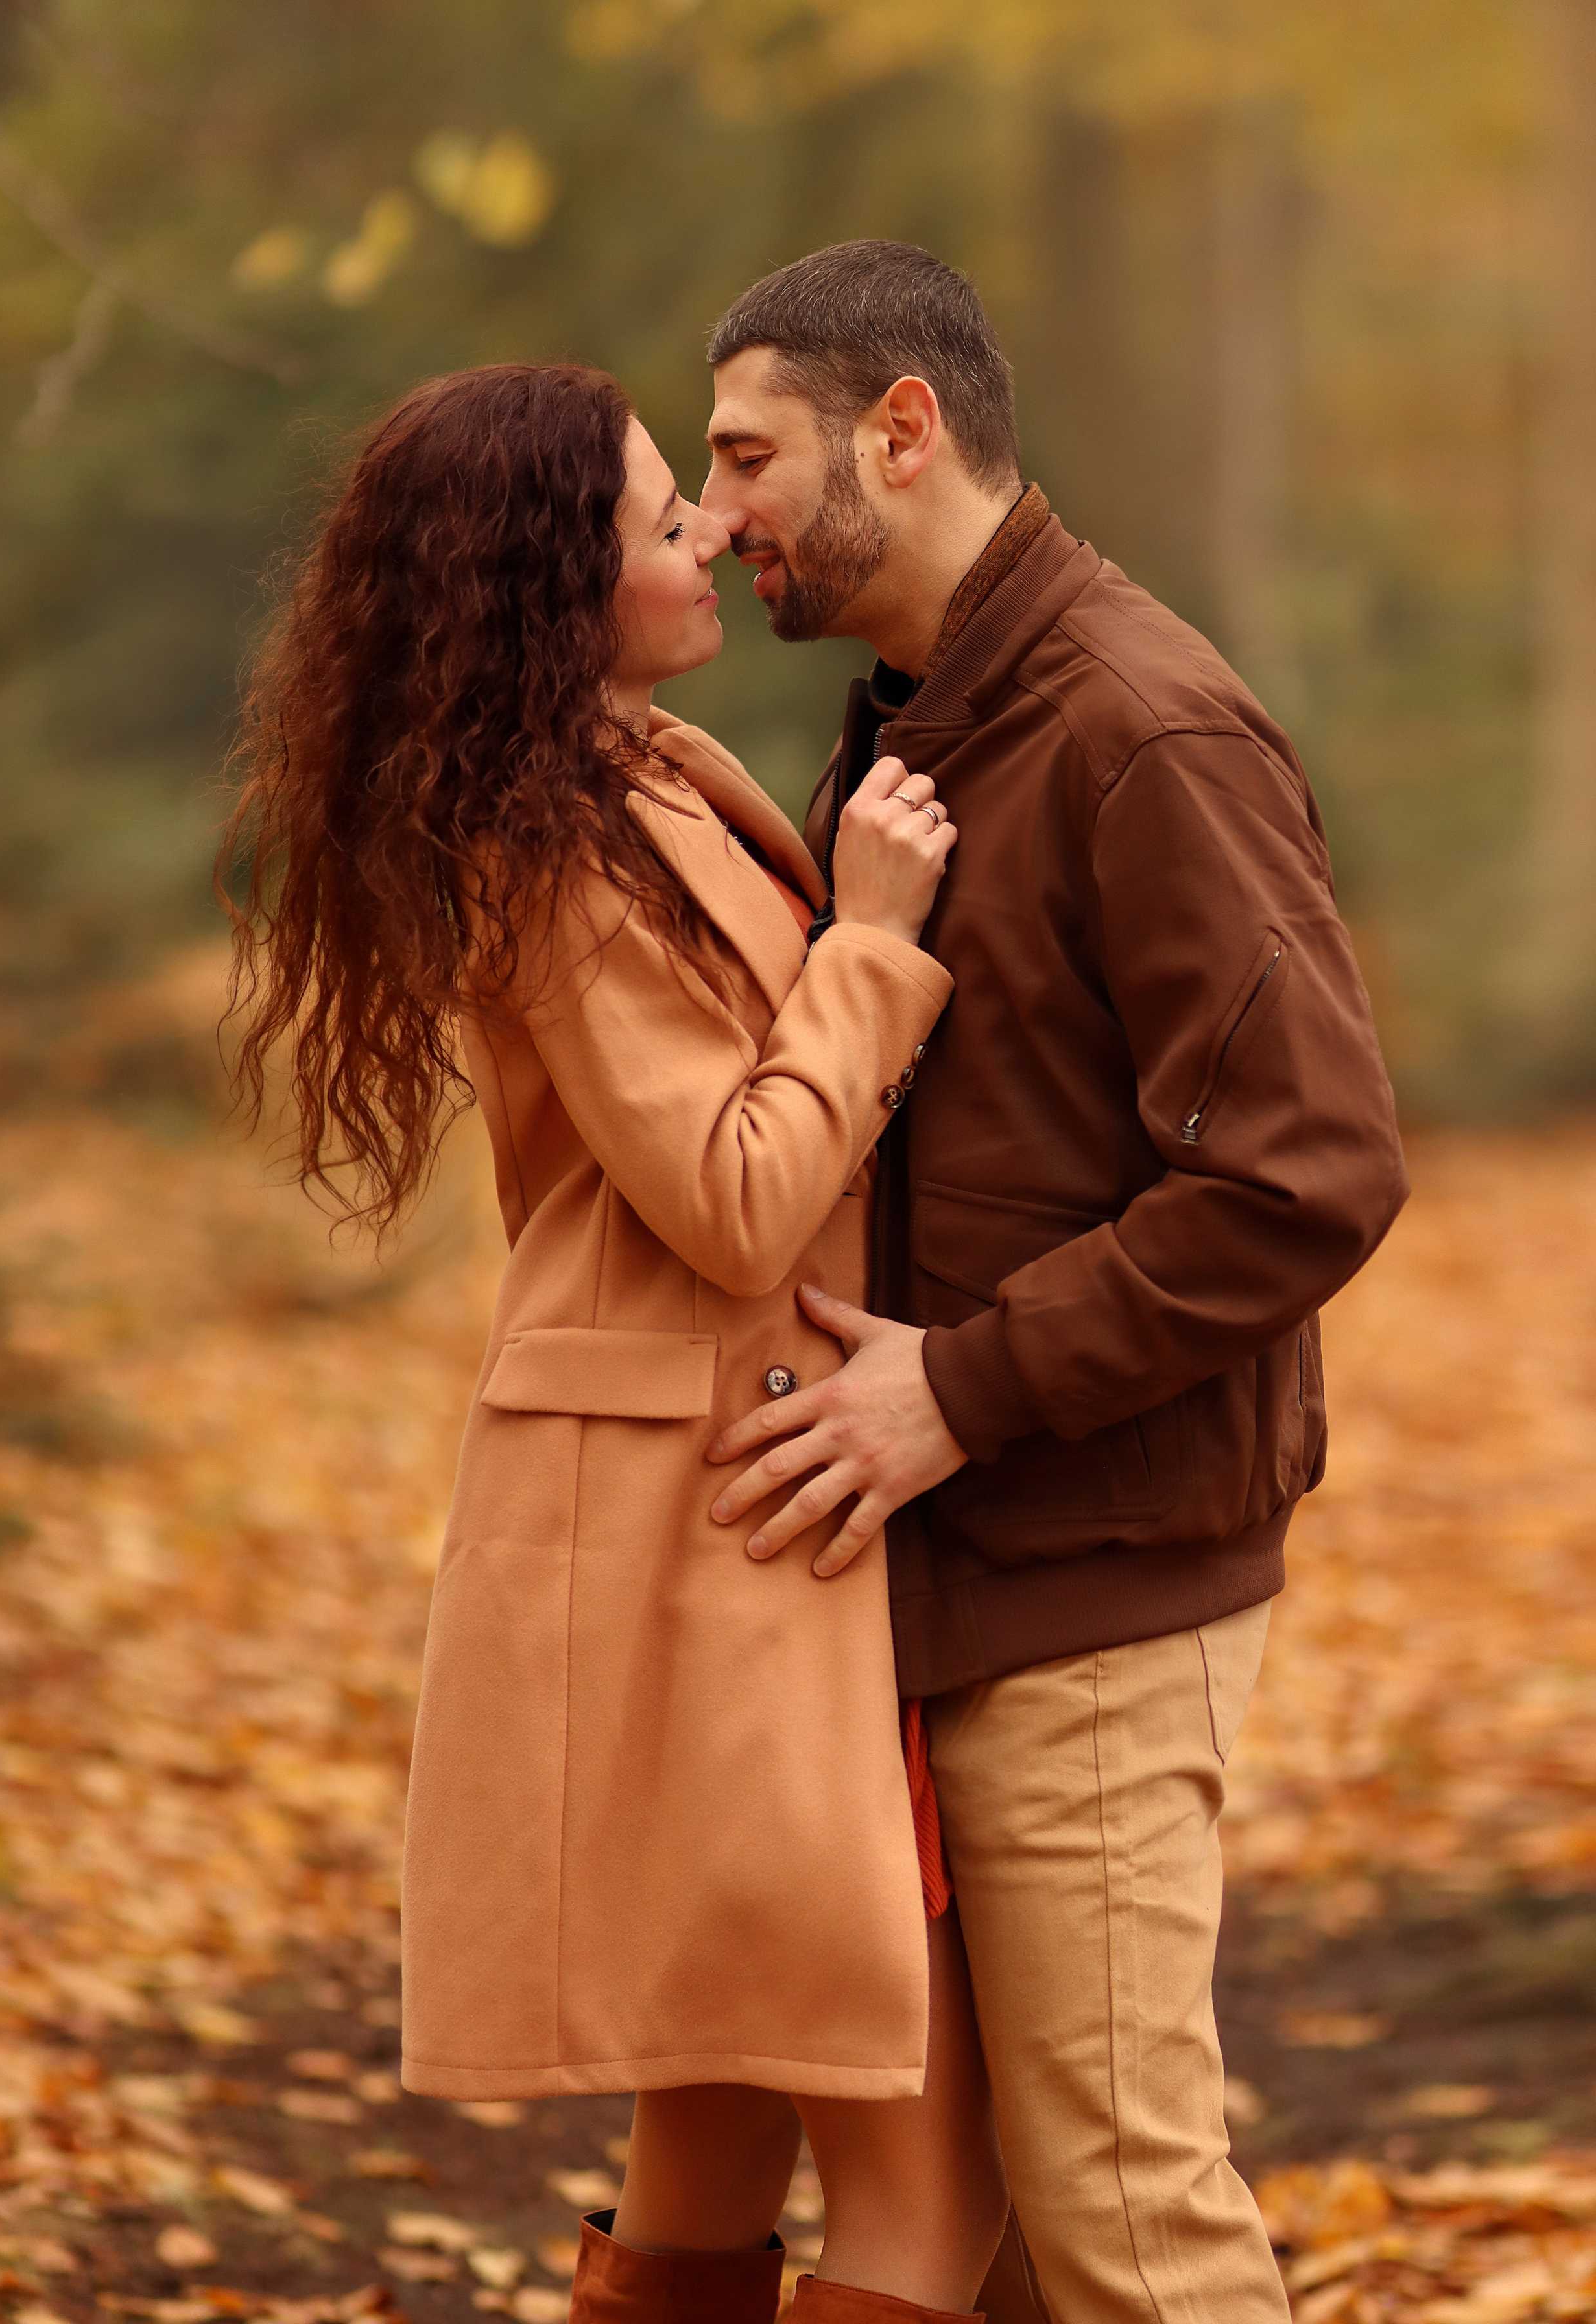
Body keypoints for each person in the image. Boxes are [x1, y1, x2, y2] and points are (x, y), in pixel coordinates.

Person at [218, 361, 1011, 2324]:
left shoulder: (635, 781)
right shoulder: (550, 849)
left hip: (709, 1519)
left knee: (720, 2129)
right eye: (669, 519)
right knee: (925, 2170)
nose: (715, 533)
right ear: (552, 587)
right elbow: (737, 1194)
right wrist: (878, 939)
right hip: (703, 1531)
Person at [698, 241, 1411, 2324]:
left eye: (749, 456)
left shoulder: (1140, 727)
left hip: (1094, 1566)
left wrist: (964, 1392)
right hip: (945, 1575)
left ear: (899, 432)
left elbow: (1311, 1173)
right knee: (993, 2238)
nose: (718, 510)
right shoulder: (930, 733)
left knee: (1122, 2207)